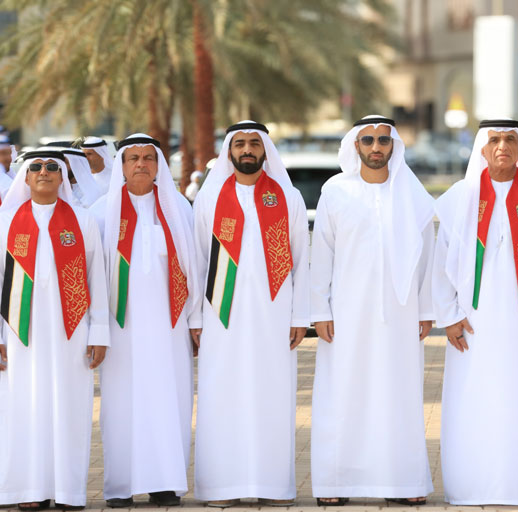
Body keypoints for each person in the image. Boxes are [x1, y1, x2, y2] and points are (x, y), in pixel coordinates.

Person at [432, 119, 518, 505]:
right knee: (475, 400)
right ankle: (472, 485)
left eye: (510, 139)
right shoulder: (460, 197)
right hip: (473, 324)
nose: (502, 146)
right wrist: (449, 316)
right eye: (494, 139)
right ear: (482, 147)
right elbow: (441, 263)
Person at [310, 115, 434, 506]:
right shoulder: (335, 191)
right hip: (346, 315)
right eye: (368, 140)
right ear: (356, 145)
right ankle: (336, 484)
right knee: (343, 395)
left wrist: (425, 309)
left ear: (394, 145)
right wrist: (320, 310)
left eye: (383, 140)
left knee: (398, 395)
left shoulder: (412, 193)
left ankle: (402, 484)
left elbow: (428, 256)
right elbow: (321, 254)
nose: (376, 147)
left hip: (401, 314)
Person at [192, 121, 309, 508]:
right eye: (239, 143)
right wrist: (196, 318)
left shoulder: (287, 197)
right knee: (221, 396)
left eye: (254, 144)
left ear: (265, 151)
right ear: (229, 151)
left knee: (271, 397)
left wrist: (299, 316)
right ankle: (221, 487)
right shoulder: (210, 198)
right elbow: (197, 262)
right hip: (220, 316)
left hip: (274, 317)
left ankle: (271, 485)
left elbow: (301, 261)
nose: (247, 150)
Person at [90, 134, 201, 508]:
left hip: (171, 327)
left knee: (170, 401)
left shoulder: (178, 208)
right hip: (119, 328)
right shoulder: (102, 211)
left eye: (148, 158)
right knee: (120, 406)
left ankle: (165, 483)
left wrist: (196, 320)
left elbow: (195, 267)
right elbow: (91, 275)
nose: (141, 164)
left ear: (159, 165)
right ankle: (121, 485)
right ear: (121, 165)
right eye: (133, 158)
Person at [0, 148, 110, 510]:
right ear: (26, 176)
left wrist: (98, 332)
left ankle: (67, 492)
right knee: (23, 406)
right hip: (19, 333)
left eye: (51, 166)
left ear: (62, 176)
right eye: (35, 167)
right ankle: (28, 490)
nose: (43, 172)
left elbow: (97, 278)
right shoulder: (6, 221)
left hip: (71, 333)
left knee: (69, 408)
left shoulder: (82, 220)